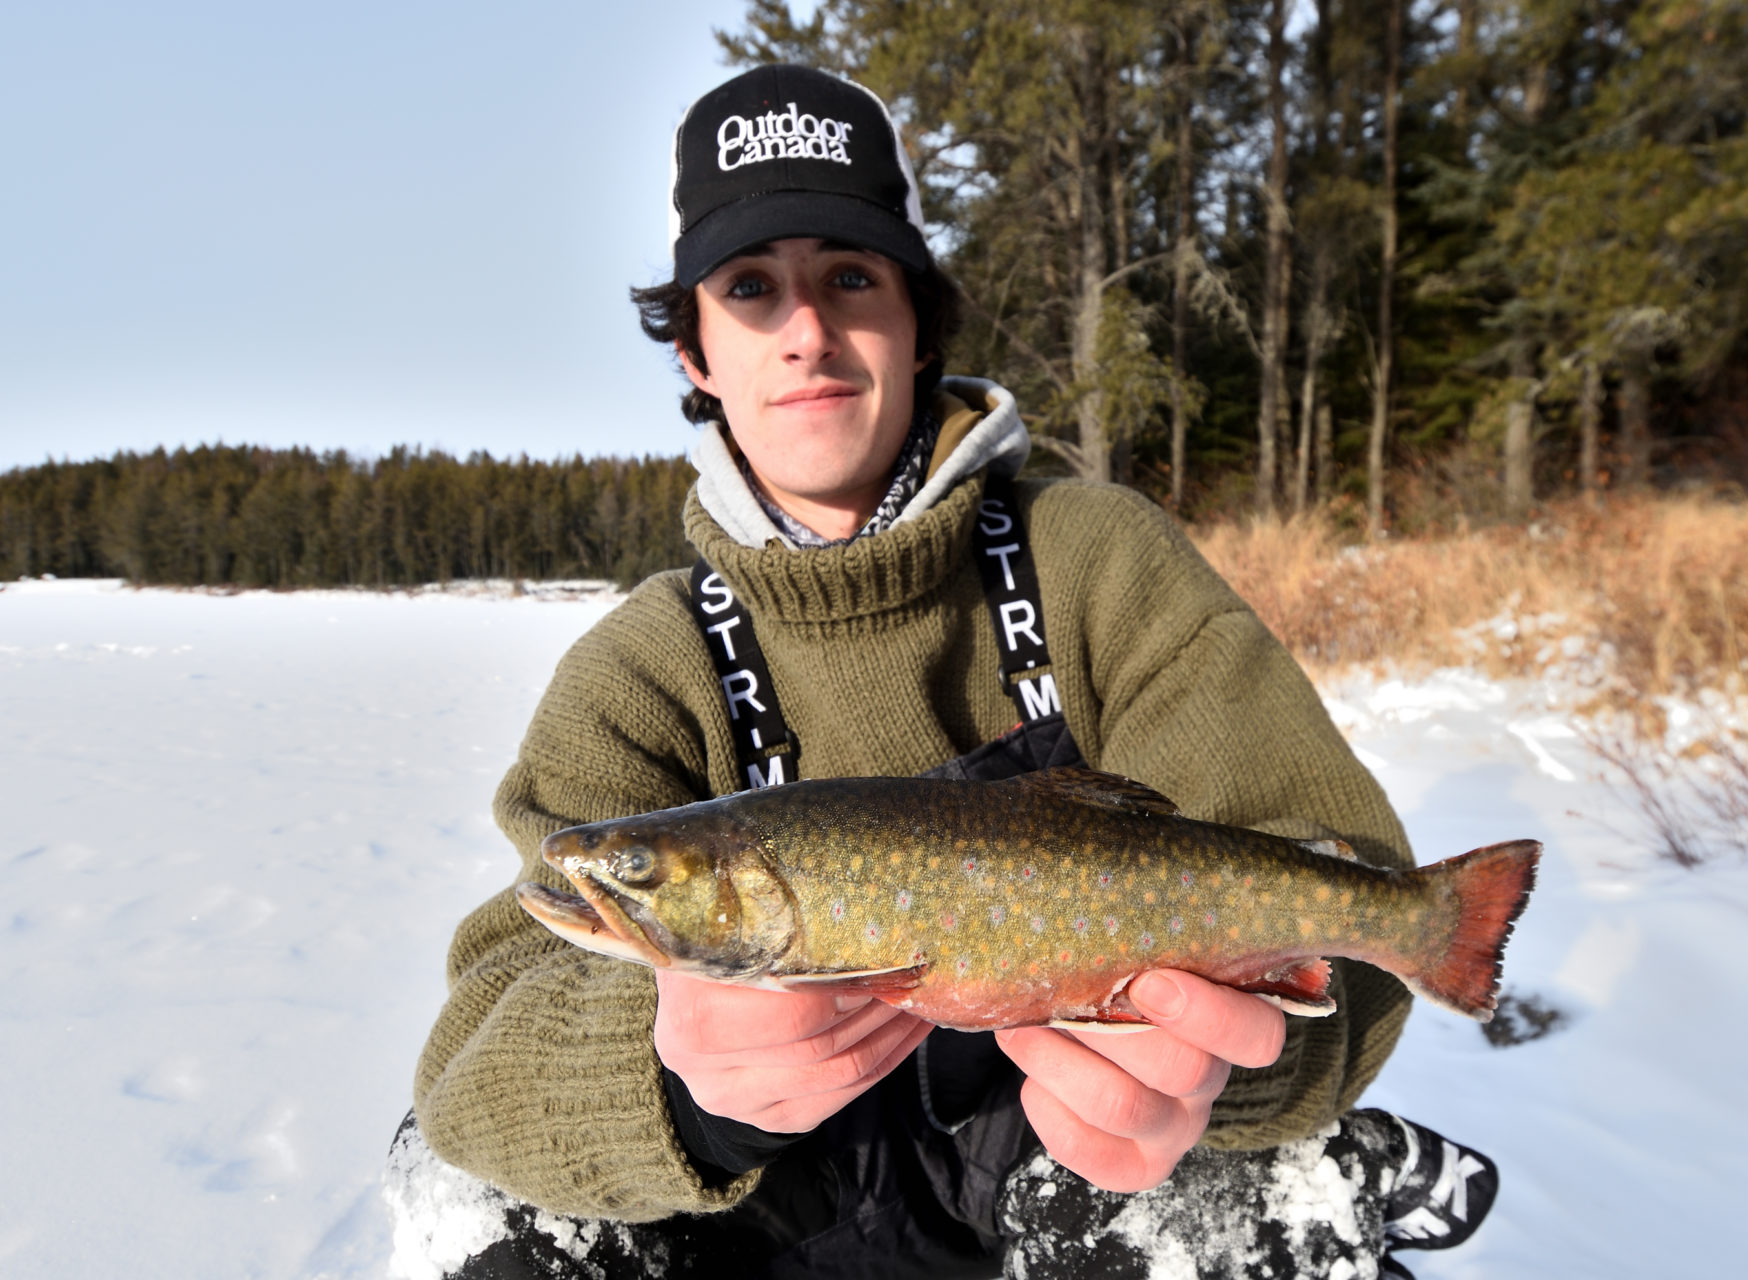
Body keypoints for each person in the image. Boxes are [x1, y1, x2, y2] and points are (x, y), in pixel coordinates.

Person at [385, 64, 1497, 1280]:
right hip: (774, 1208)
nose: (807, 329)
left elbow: (1346, 905)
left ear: (919, 322)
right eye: (751, 288)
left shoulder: (1096, 560)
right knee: (486, 1213)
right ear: (695, 350)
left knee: (1219, 1213)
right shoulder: (644, 669)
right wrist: (675, 1077)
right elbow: (471, 1058)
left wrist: (1216, 1070)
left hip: (1073, 1163)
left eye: (851, 277)